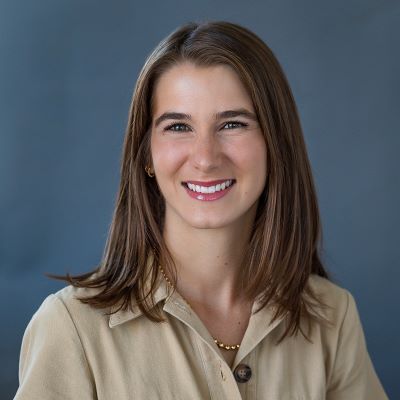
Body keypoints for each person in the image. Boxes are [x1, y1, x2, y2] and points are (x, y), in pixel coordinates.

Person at [14, 20, 388, 399]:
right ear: (147, 155)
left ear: (276, 145)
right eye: (178, 127)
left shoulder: (331, 317)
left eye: (232, 123)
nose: (206, 158)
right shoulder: (71, 328)